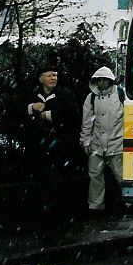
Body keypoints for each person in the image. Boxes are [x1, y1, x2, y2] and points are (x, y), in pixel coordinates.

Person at [25, 66, 80, 211]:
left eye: (55, 75)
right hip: (38, 145)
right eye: (49, 75)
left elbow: (74, 116)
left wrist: (51, 115)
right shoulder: (32, 94)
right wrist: (31, 108)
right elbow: (17, 112)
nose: (53, 78)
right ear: (40, 78)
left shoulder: (65, 94)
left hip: (60, 144)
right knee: (40, 177)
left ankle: (62, 209)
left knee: (62, 178)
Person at [80, 66, 124, 215]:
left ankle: (130, 203)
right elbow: (87, 122)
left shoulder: (121, 95)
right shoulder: (91, 98)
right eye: (99, 80)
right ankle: (95, 207)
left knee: (122, 177)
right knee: (95, 177)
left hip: (118, 144)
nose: (102, 83)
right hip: (96, 145)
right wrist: (85, 141)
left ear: (110, 80)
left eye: (104, 80)